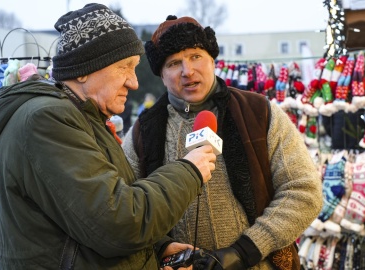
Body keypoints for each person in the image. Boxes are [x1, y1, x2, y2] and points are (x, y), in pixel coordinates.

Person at [0, 4, 216, 269]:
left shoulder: (82, 117)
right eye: (124, 67)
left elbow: (85, 216)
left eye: (135, 68)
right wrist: (189, 169)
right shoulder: (47, 120)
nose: (134, 82)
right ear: (84, 69)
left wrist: (158, 247)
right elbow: (117, 222)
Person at [122, 15, 323, 269]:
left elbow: (304, 191)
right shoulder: (143, 131)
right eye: (174, 63)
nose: (188, 71)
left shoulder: (259, 112)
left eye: (196, 56)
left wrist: (243, 251)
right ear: (161, 75)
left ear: (212, 61)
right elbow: (125, 207)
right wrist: (161, 245)